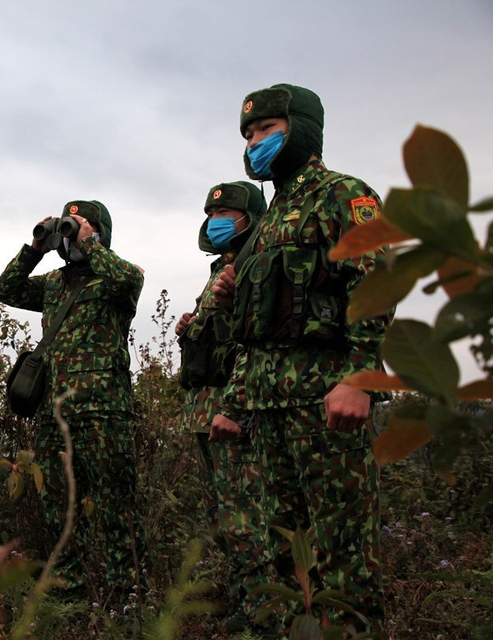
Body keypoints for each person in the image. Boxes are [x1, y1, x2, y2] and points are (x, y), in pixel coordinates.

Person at [212, 84, 389, 634]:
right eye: (247, 134)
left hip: (325, 403)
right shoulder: (265, 224)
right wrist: (233, 402)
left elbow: (378, 281)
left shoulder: (342, 193)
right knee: (285, 554)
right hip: (267, 410)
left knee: (341, 556)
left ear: (301, 128)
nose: (254, 142)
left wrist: (361, 379)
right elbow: (254, 329)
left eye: (266, 129)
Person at [0, 200, 145, 603]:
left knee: (118, 509)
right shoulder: (54, 285)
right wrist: (35, 248)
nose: (73, 233)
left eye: (83, 225)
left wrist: (91, 243)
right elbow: (5, 289)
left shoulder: (115, 281)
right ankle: (68, 600)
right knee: (60, 510)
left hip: (104, 413)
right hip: (55, 416)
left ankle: (128, 601)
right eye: (70, 225)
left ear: (100, 233)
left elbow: (129, 278)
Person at [174, 181, 269, 632]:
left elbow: (257, 335)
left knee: (245, 511)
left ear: (250, 217)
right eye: (212, 214)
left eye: (227, 213)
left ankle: (261, 610)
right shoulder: (220, 269)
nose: (216, 221)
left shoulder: (255, 262)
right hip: (205, 408)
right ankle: (244, 599)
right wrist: (192, 327)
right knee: (224, 513)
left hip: (236, 408)